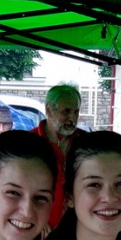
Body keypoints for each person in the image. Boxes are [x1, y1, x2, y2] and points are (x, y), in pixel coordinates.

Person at [31, 84, 86, 228]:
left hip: (79, 228)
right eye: (66, 111)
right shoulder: (29, 142)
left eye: (76, 112)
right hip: (40, 228)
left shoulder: (86, 143)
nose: (72, 118)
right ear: (49, 110)